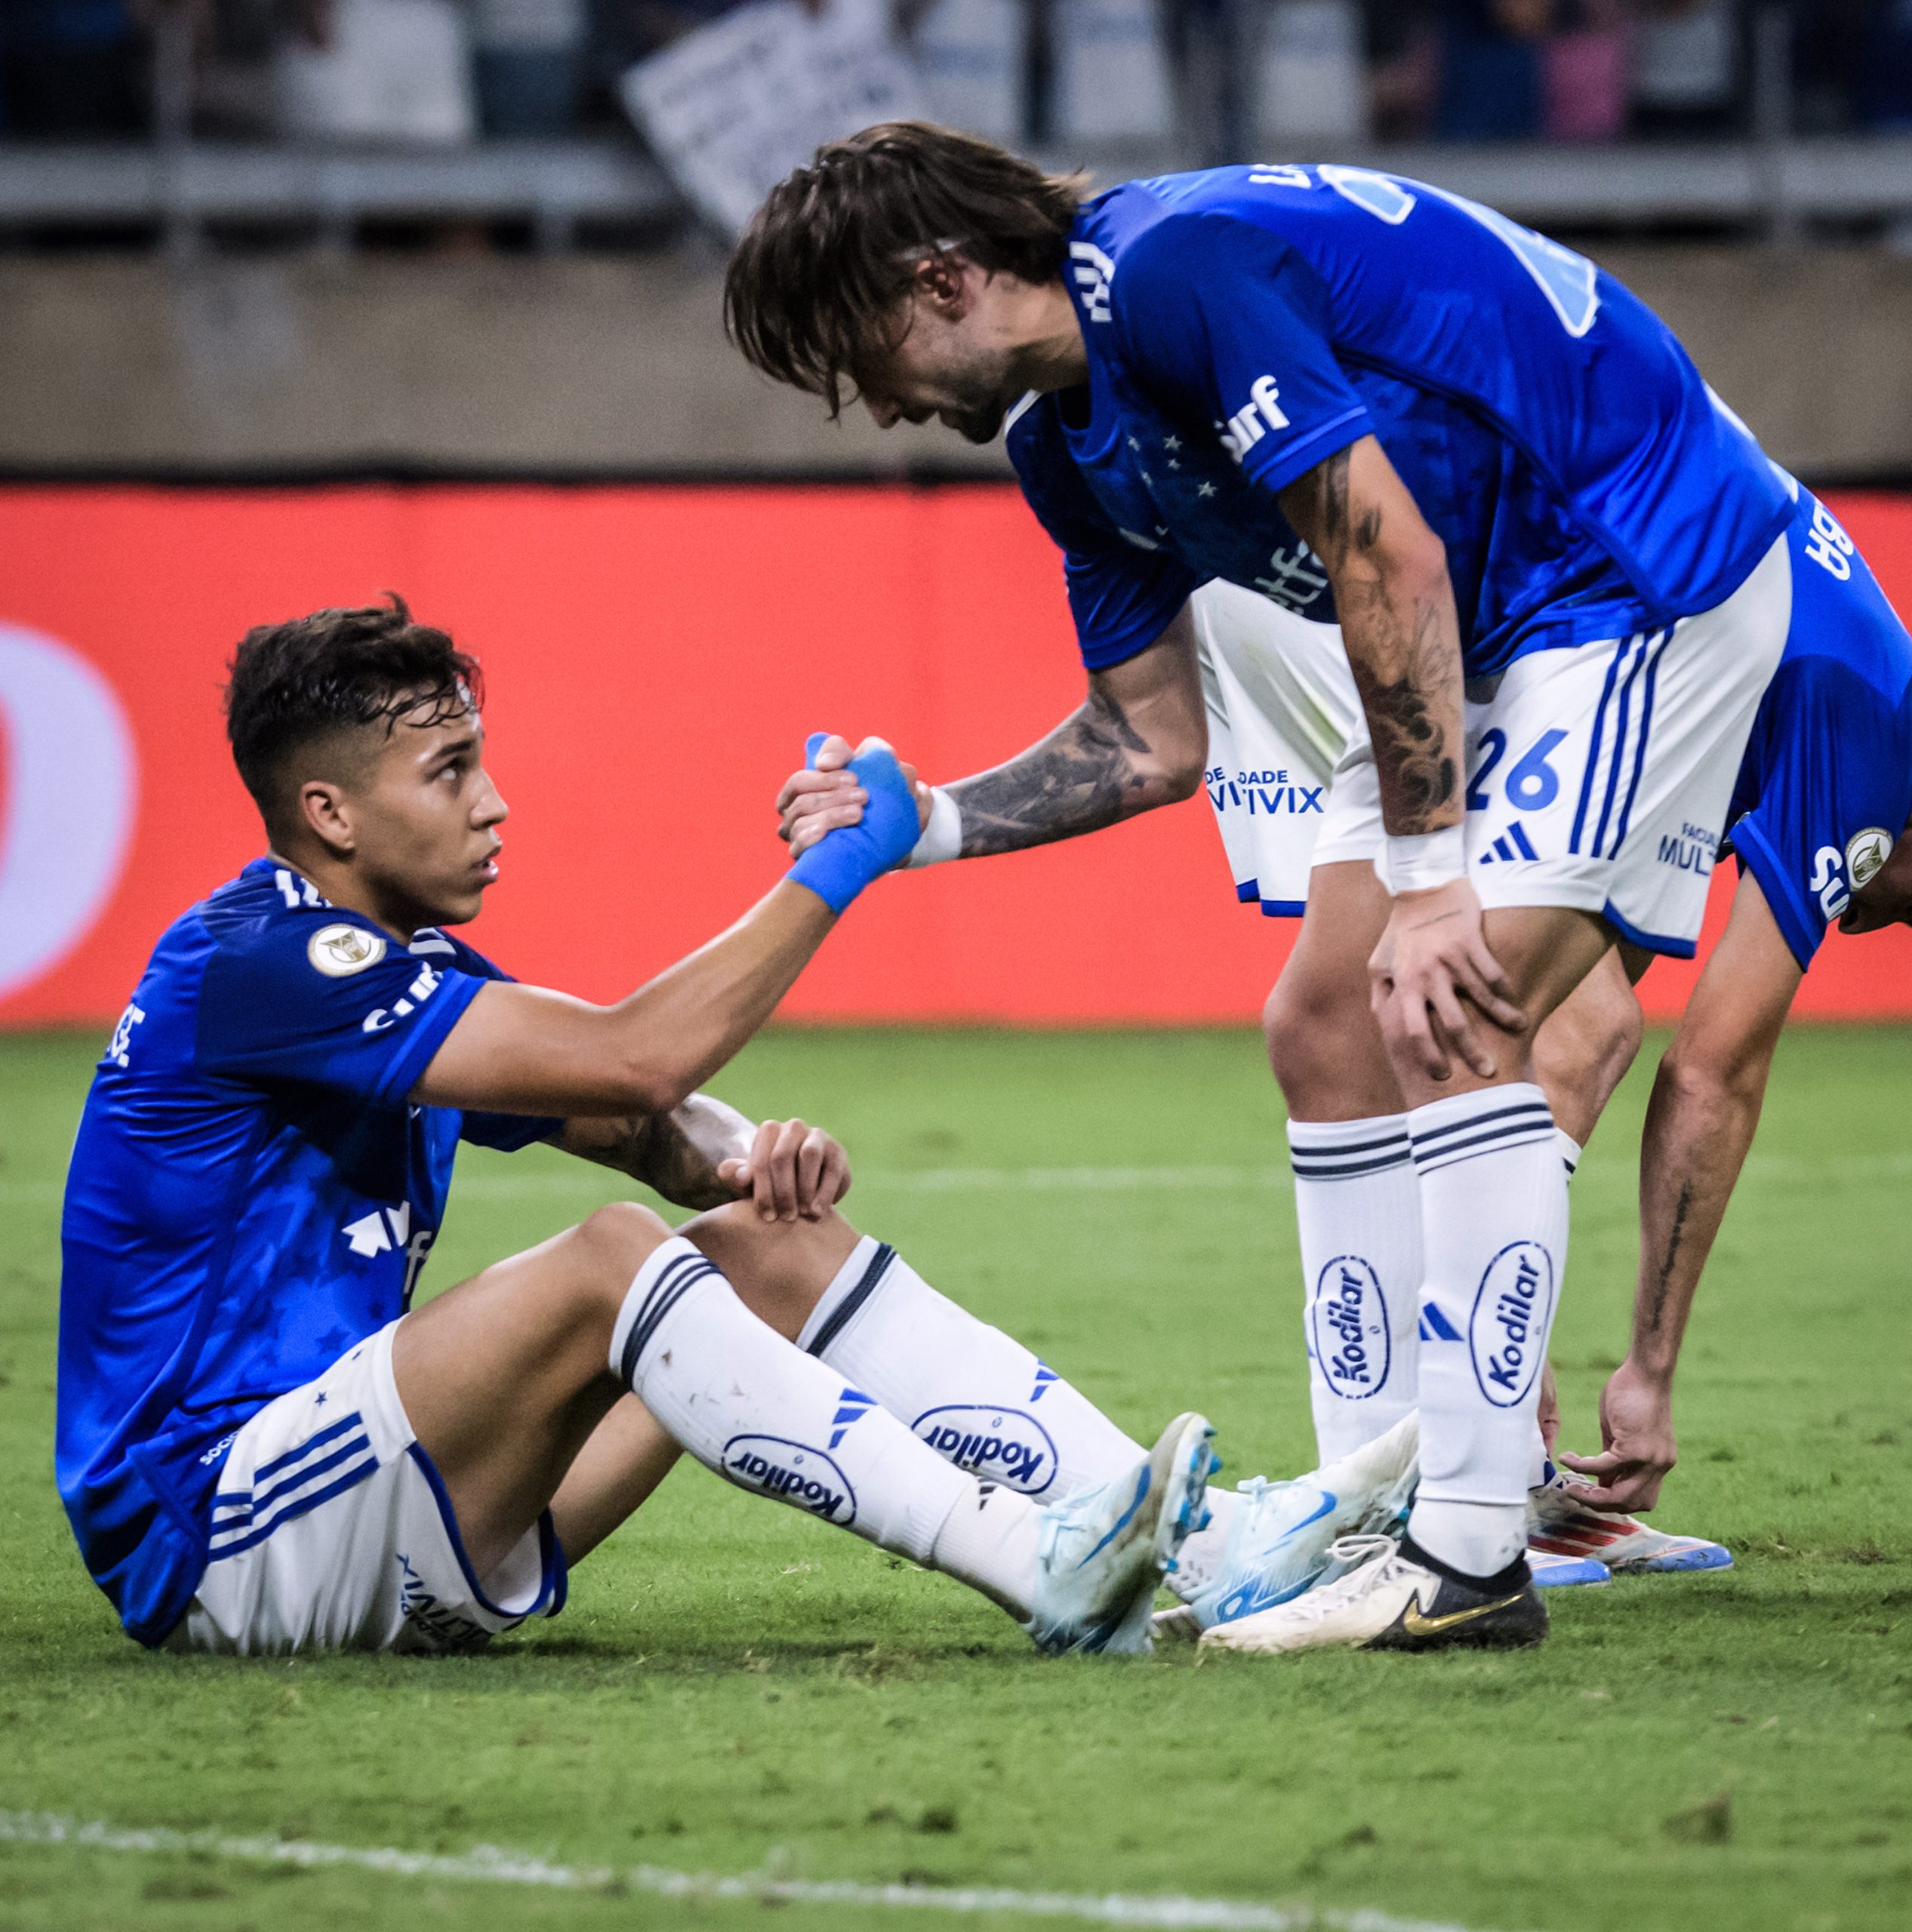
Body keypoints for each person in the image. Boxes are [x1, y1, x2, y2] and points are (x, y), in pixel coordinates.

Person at [723, 123, 1850, 1652]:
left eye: (859, 356)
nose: (875, 408)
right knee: (1321, 1021)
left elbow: (1383, 547)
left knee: (1445, 996)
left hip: (1629, 554)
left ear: (941, 279)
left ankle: (1464, 1560)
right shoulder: (1065, 442)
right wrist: (915, 819)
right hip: (1491, 615)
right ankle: (1360, 1512)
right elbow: (1148, 737)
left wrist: (1434, 884)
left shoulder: (1174, 270)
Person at [57, 595, 1439, 1660]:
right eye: (449, 770)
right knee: (612, 1257)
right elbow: (638, 1053)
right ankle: (1043, 1569)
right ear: (329, 810)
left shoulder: (401, 978)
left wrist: (740, 1157)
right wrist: (845, 863)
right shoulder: (258, 966)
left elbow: (636, 1114)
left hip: (385, 1515)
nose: (493, 803)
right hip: (214, 1533)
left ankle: (1206, 1550)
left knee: (751, 1244)